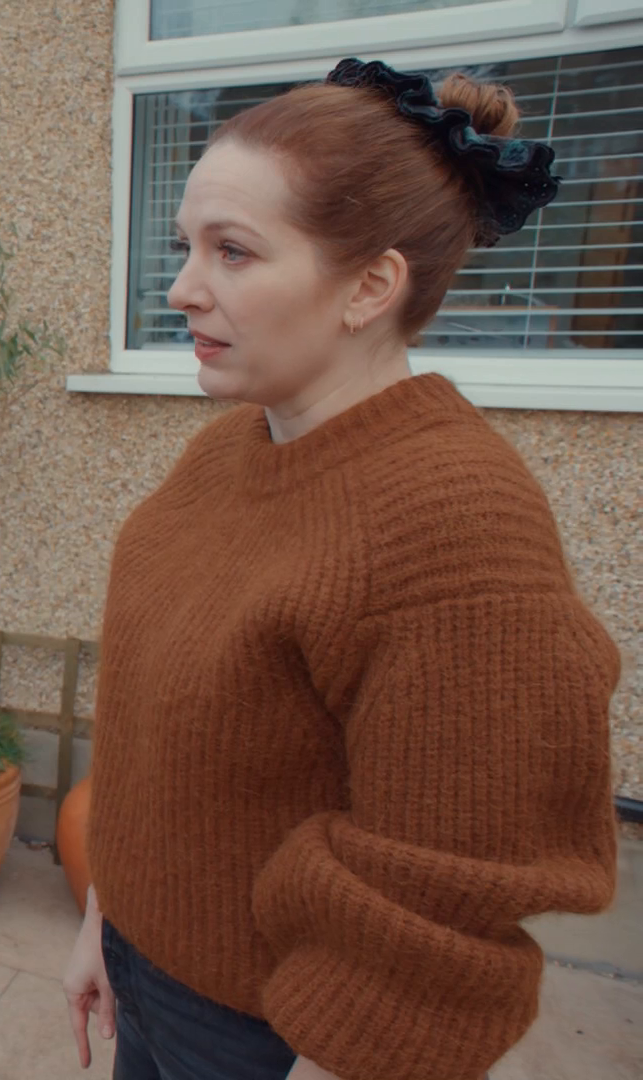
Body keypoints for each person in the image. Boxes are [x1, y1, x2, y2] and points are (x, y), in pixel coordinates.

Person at [61, 59, 621, 1080]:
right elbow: (160, 738)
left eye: (233, 251)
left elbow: (454, 879)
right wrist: (108, 914)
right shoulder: (231, 448)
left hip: (268, 1033)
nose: (182, 289)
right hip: (144, 972)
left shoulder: (456, 527)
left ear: (370, 286)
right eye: (186, 246)